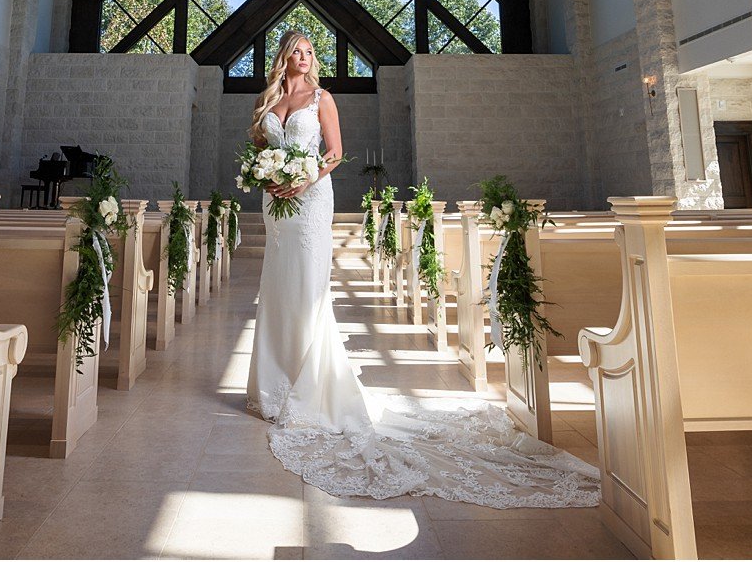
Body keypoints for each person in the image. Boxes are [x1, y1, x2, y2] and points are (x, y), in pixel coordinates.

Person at [244, 30, 601, 508]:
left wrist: (302, 177)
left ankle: (310, 387)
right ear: (283, 57)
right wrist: (267, 174)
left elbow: (333, 153)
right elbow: (256, 146)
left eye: (310, 52)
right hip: (276, 207)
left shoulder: (323, 97)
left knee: (308, 290)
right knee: (278, 288)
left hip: (310, 203)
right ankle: (274, 383)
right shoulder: (269, 99)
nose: (305, 59)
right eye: (297, 52)